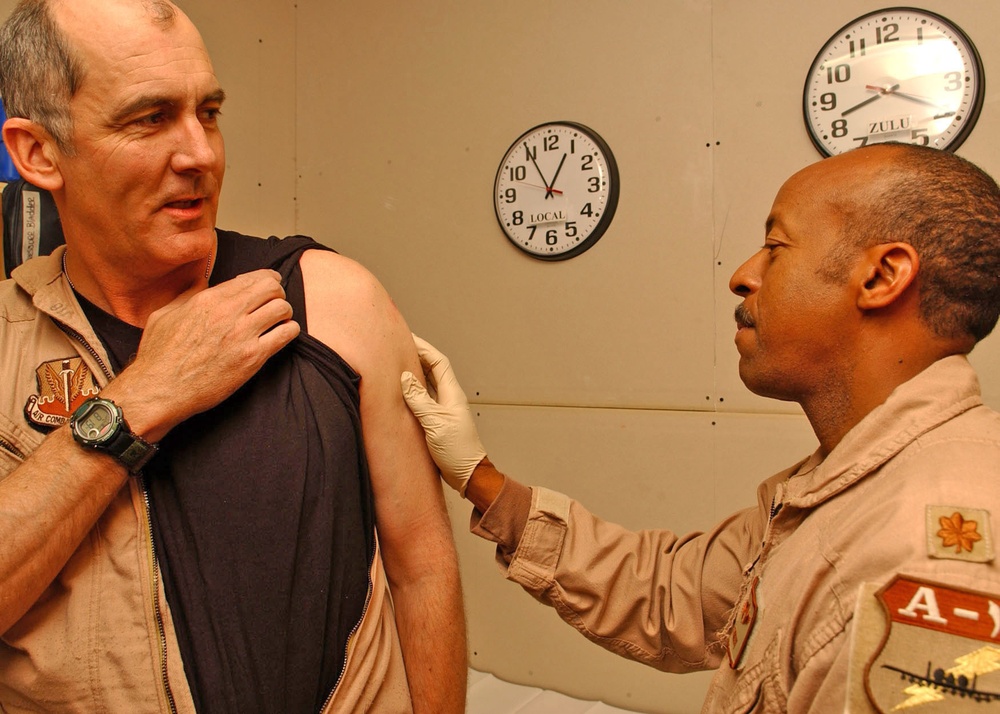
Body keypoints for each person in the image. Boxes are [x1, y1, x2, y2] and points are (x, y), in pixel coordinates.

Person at [402, 143, 1000, 713]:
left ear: (881, 277)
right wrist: (477, 477)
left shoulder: (925, 559)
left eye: (775, 246)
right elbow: (670, 589)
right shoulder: (847, 490)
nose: (742, 275)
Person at [0, 0, 466, 712]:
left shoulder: (332, 301)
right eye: (149, 119)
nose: (200, 155)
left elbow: (422, 567)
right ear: (38, 153)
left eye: (208, 113)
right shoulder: (8, 338)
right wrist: (142, 396)